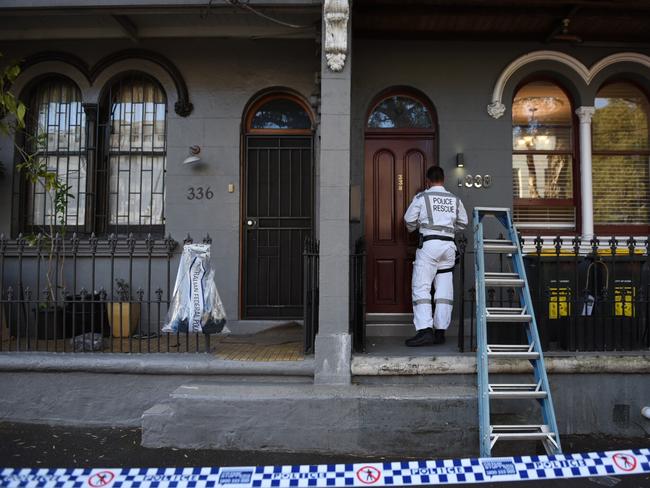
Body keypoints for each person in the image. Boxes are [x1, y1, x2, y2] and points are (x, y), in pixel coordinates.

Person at [403, 166, 468, 346]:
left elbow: (409, 220)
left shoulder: (422, 197)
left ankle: (425, 330)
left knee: (421, 287)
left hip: (429, 246)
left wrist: (416, 228)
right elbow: (464, 222)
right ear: (444, 179)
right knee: (444, 289)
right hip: (448, 247)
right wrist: (447, 231)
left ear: (428, 181)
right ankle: (440, 332)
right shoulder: (454, 199)